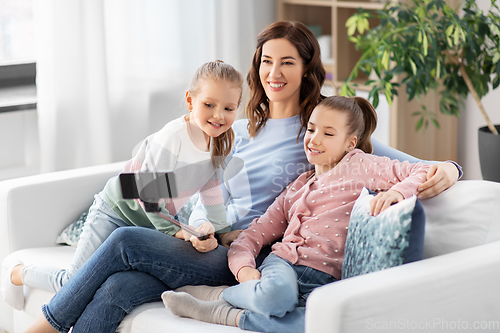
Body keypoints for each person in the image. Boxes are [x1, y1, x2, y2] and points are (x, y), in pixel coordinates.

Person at [22, 21, 461, 333]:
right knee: (118, 287)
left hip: (246, 255)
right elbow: (204, 189)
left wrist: (450, 168)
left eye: (287, 63)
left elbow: (395, 159)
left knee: (125, 243)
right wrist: (189, 227)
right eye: (267, 61)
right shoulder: (237, 127)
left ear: (308, 69)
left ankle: (45, 321)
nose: (274, 73)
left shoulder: (319, 130)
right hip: (203, 239)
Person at [161, 95, 431, 332]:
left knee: (323, 325)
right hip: (284, 266)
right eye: (311, 129)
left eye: (328, 133)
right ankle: (229, 296)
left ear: (351, 143)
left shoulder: (361, 164)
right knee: (276, 297)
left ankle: (221, 306)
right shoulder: (297, 187)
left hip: (325, 283)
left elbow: (421, 171)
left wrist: (398, 192)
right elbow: (254, 234)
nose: (314, 139)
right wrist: (243, 268)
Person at [2, 60, 243, 310]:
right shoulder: (172, 139)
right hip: (115, 210)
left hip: (146, 222)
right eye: (209, 105)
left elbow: (211, 191)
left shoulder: (219, 143)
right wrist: (174, 232)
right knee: (74, 283)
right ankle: (19, 273)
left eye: (228, 108)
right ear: (191, 101)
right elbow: (147, 193)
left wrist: (223, 232)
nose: (219, 115)